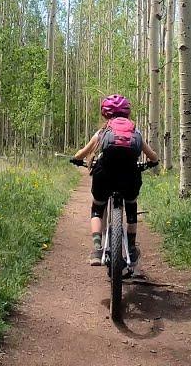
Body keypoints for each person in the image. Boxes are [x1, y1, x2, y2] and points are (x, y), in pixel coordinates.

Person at [71, 94, 159, 266]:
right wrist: (153, 161)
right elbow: (152, 156)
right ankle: (131, 249)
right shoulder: (135, 131)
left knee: (98, 206)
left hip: (105, 175)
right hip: (130, 176)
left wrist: (76, 158)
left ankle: (97, 250)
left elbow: (82, 153)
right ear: (127, 113)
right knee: (131, 205)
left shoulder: (103, 132)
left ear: (105, 114)